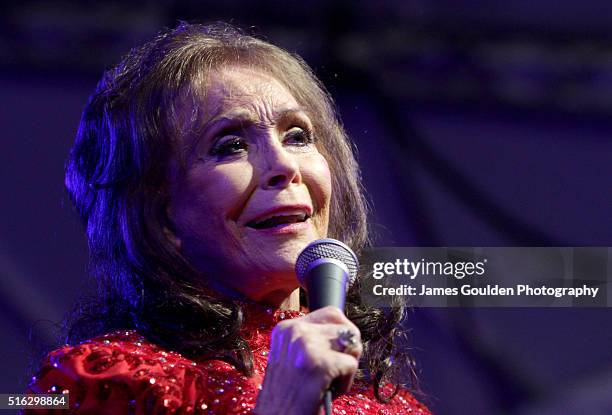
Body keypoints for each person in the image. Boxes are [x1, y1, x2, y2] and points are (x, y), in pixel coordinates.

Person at [24, 22, 431, 415]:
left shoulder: (399, 409)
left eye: (298, 136)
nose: (284, 165)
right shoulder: (99, 383)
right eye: (231, 145)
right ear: (162, 216)